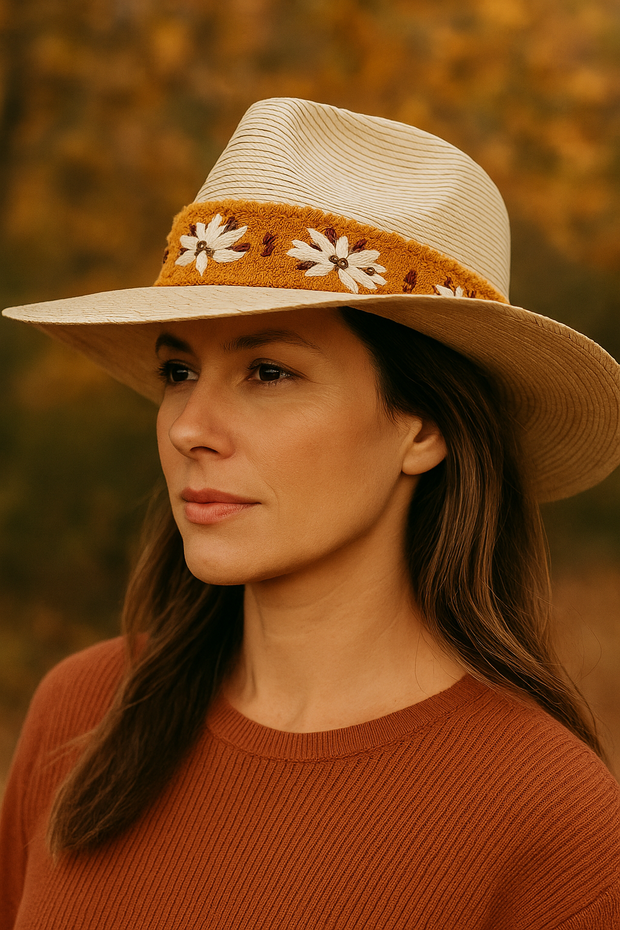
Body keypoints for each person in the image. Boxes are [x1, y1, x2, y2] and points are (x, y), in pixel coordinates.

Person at [1, 97, 619, 929]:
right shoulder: (83, 716)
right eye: (179, 372)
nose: (189, 428)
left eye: (268, 373)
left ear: (425, 426)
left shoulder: (555, 824)